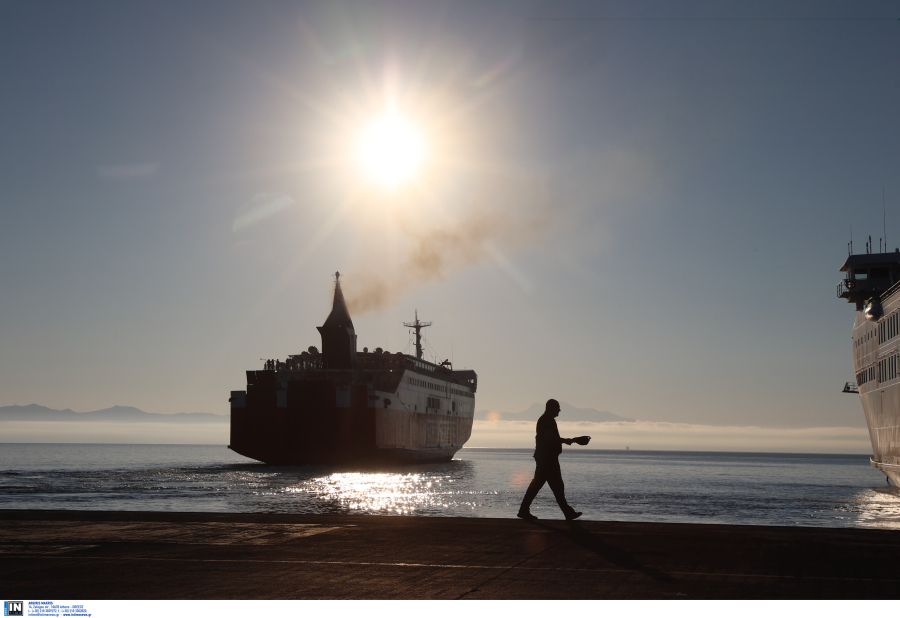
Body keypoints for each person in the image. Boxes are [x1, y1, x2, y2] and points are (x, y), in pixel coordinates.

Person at [517, 399, 589, 521]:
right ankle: (567, 513)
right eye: (557, 408)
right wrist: (569, 440)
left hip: (547, 458)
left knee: (548, 486)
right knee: (554, 486)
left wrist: (571, 440)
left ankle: (524, 510)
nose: (559, 410)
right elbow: (550, 438)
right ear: (551, 408)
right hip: (547, 459)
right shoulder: (546, 420)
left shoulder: (547, 420)